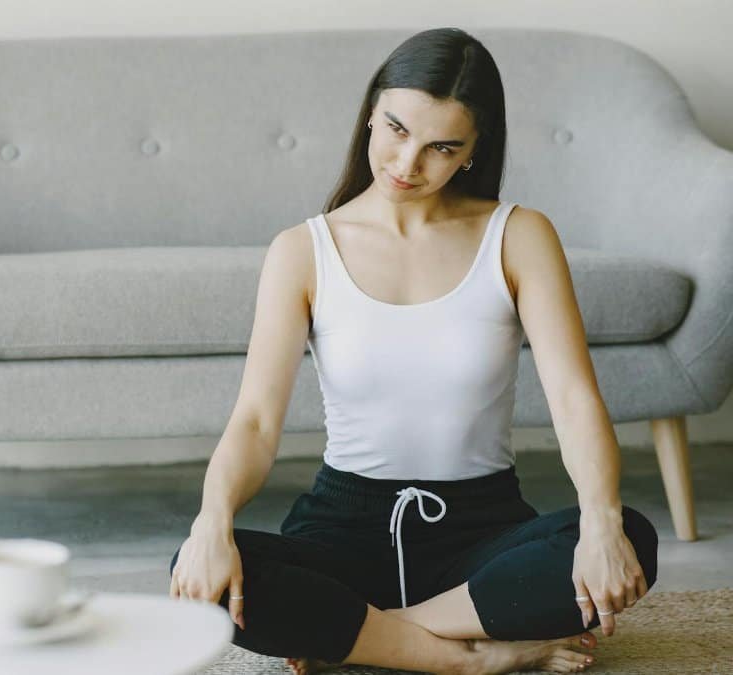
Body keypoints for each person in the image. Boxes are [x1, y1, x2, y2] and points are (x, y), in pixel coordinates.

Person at [167, 27, 658, 675]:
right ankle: (468, 658)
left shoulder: (519, 236)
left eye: (441, 147)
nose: (406, 164)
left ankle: (361, 634)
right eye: (396, 130)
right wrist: (211, 522)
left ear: (474, 150)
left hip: (481, 530)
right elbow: (256, 420)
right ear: (371, 111)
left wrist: (599, 521)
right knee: (195, 572)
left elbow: (573, 398)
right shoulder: (302, 251)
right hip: (341, 526)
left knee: (633, 538)